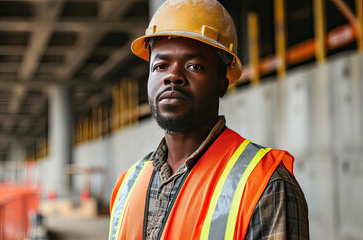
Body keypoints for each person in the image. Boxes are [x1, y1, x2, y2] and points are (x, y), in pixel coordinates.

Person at [109, 0, 309, 239]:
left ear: (222, 82)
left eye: (194, 66)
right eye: (160, 66)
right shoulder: (127, 185)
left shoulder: (265, 185)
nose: (173, 76)